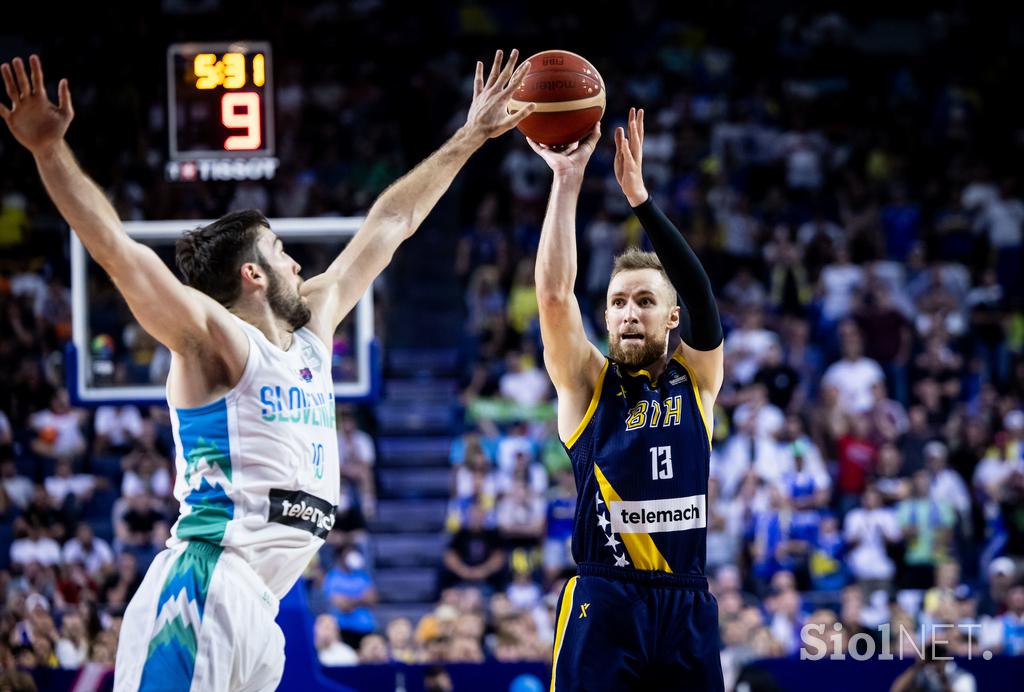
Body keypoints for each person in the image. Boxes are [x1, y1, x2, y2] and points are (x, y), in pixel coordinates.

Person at [0, 50, 535, 691]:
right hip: (204, 584)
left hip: (263, 602)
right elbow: (118, 253)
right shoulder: (215, 341)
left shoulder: (312, 330)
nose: (298, 266)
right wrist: (48, 153)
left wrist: (471, 135)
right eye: (282, 253)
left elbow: (392, 222)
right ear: (252, 275)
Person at [530, 107, 725, 690]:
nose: (628, 312)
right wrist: (567, 181)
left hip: (686, 604)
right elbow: (555, 297)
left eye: (644, 300)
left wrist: (640, 201)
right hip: (606, 599)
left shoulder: (696, 379)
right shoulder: (589, 383)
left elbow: (702, 294)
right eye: (617, 302)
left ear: (670, 316)